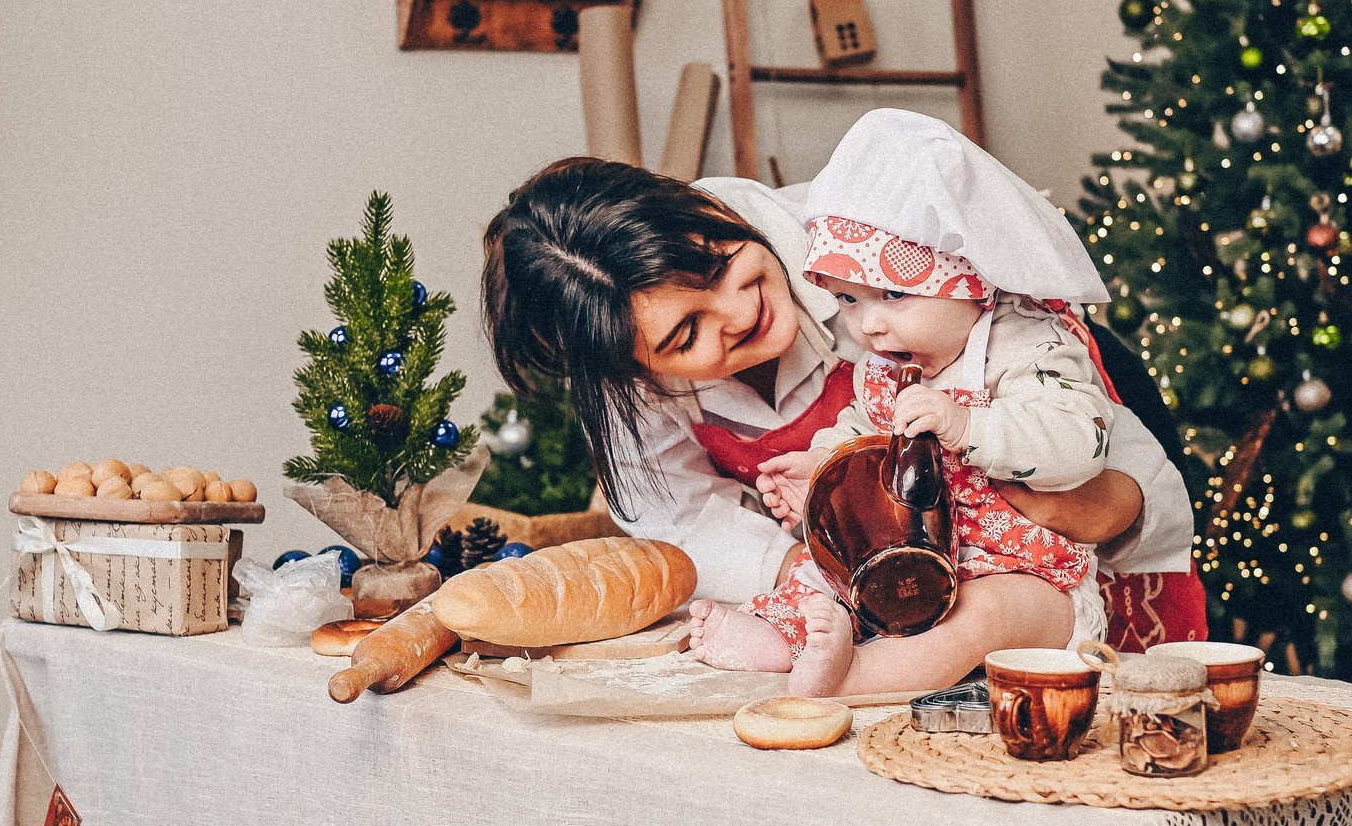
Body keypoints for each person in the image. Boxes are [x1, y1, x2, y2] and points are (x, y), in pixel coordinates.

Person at [480, 113, 1205, 654]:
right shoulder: (628, 384)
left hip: (1063, 497)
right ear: (637, 371)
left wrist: (1101, 509)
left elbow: (1097, 454)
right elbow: (684, 517)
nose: (737, 313)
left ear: (707, 210)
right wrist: (811, 559)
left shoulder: (878, 243)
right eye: (686, 336)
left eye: (719, 265)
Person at [689, 113, 1123, 696]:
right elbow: (860, 428)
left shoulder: (1029, 345)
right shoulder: (888, 365)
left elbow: (1079, 440)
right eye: (848, 300)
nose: (868, 325)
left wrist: (968, 426)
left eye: (893, 293)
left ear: (969, 279)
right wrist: (827, 467)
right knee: (830, 572)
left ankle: (855, 677)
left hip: (1030, 581)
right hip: (911, 565)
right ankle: (783, 636)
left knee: (982, 613)